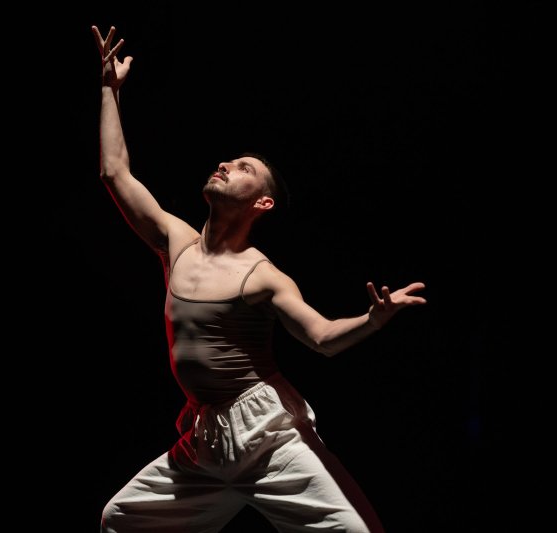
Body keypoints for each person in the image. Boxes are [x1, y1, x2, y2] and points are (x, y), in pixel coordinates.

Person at [93, 24, 427, 533]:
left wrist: (373, 319)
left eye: (243, 167)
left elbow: (322, 338)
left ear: (262, 202)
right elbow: (115, 172)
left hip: (266, 438)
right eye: (228, 160)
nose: (226, 163)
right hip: (205, 441)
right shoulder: (176, 241)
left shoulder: (262, 276)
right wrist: (109, 91)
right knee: (120, 520)